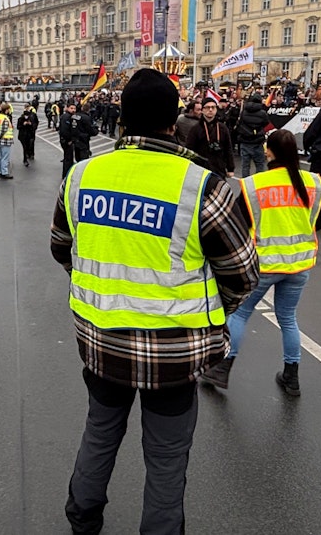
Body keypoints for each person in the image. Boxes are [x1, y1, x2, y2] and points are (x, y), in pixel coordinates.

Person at [51, 68, 259, 533]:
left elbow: (62, 247)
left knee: (100, 433)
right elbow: (243, 276)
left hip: (102, 341)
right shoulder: (202, 185)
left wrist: (104, 289)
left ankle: (82, 519)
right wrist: (204, 311)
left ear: (121, 120)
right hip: (175, 351)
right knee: (166, 458)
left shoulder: (83, 175)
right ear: (174, 122)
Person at [201, 128, 321, 396]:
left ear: (268, 152)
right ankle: (291, 376)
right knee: (288, 318)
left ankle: (222, 368)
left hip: (263, 264)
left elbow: (237, 223)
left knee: (239, 315)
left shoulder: (255, 185)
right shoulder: (312, 182)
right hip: (299, 266)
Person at [185, 94, 235, 177]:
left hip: (219, 168)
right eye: (207, 107)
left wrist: (230, 168)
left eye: (213, 107)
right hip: (201, 169)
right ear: (202, 110)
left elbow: (228, 148)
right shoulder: (195, 129)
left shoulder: (222, 128)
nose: (210, 110)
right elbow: (189, 149)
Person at [235, 93, 269, 177]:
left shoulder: (244, 111)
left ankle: (245, 186)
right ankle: (258, 184)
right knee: (260, 165)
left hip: (245, 140)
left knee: (245, 166)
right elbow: (266, 123)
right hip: (257, 141)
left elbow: (240, 123)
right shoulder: (262, 113)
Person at [0, 101, 15, 178]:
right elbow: (3, 130)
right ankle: (4, 172)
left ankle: (0, 171)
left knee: (0, 156)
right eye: (8, 109)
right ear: (6, 110)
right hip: (5, 140)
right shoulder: (6, 118)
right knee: (5, 157)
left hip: (0, 141)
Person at [59, 103, 77, 178]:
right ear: (67, 108)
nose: (73, 110)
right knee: (68, 159)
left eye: (74, 108)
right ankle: (66, 175)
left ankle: (67, 174)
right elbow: (64, 130)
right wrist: (69, 140)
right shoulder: (66, 117)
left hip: (67, 140)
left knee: (69, 158)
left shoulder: (70, 116)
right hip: (66, 141)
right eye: (71, 108)